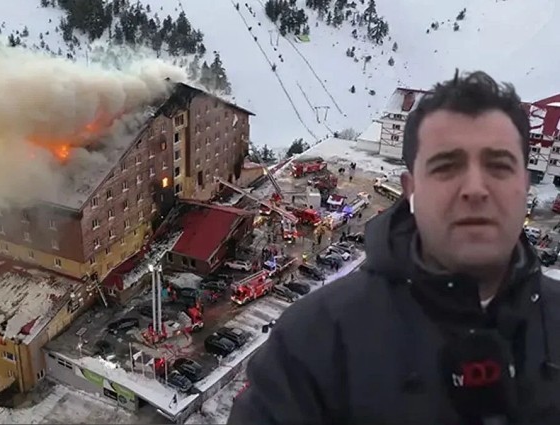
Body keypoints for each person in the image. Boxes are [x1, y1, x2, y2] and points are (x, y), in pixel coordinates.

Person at [228, 71, 560, 425]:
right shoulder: (314, 340)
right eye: (447, 167)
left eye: (498, 166)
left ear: (525, 186)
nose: (475, 189)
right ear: (410, 189)